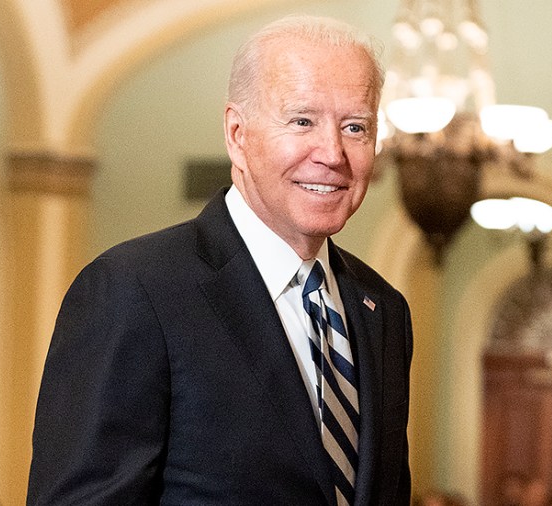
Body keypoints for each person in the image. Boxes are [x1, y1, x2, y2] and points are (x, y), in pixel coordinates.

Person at [27, 14, 413, 506]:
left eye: (355, 127)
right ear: (237, 134)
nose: (332, 153)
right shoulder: (133, 292)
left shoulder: (383, 310)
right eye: (302, 121)